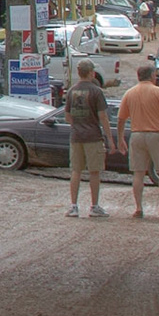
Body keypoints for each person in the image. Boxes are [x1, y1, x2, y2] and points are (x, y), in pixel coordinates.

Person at [116, 63, 159, 217]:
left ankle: (138, 208)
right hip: (156, 134)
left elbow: (121, 118)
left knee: (138, 172)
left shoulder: (129, 93)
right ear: (152, 76)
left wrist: (120, 138)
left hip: (137, 134)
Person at [64, 59, 113, 219]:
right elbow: (103, 116)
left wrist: (78, 124)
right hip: (93, 136)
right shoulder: (97, 92)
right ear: (91, 72)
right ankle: (94, 205)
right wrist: (110, 139)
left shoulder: (71, 91)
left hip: (76, 136)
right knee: (94, 172)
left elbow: (67, 116)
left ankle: (73, 206)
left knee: (76, 171)